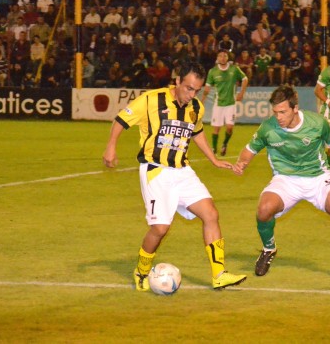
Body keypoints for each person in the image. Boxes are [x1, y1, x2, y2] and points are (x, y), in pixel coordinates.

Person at [102, 62, 247, 292]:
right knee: (160, 229)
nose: (192, 94)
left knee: (211, 214)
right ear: (177, 81)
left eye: (196, 90)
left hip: (182, 171)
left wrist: (213, 159)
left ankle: (219, 274)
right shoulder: (151, 100)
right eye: (188, 88)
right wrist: (111, 146)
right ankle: (141, 270)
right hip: (156, 171)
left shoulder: (196, 107)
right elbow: (121, 120)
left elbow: (196, 132)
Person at [233, 85, 330, 285]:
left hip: (318, 178)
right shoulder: (268, 128)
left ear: (295, 108)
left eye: (283, 112)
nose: (279, 117)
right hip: (286, 179)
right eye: (275, 112)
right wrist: (242, 162)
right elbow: (249, 150)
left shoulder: (317, 123)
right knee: (264, 209)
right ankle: (269, 249)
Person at [201, 51, 249, 156]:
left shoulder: (234, 69)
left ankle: (224, 144)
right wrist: (202, 101)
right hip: (218, 104)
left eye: (225, 56)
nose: (222, 58)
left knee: (229, 127)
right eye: (220, 56)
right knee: (216, 129)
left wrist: (242, 93)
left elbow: (245, 79)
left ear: (228, 58)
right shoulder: (212, 71)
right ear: (217, 58)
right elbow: (207, 88)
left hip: (231, 103)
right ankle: (214, 148)